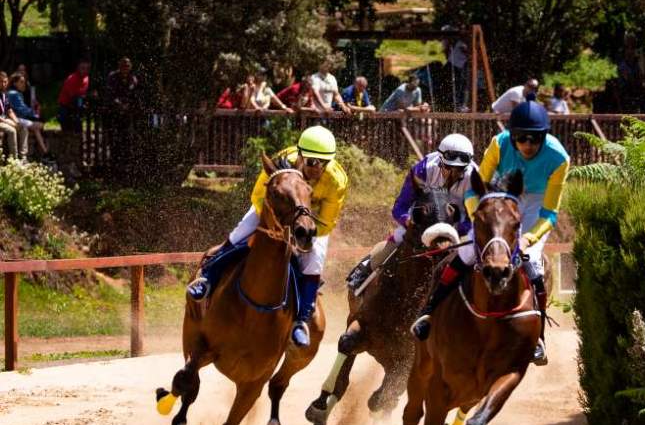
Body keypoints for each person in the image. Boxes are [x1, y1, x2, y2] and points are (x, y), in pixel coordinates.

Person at [412, 101, 569, 366]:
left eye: (535, 138)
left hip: (534, 205)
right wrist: (480, 222)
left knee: (534, 267)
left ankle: (538, 338)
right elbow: (475, 190)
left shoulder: (559, 158)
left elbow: (549, 215)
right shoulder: (499, 144)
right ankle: (429, 312)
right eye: (521, 138)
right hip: (500, 196)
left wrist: (528, 238)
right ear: (512, 135)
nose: (528, 144)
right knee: (465, 251)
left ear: (545, 136)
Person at [185, 125, 348, 347]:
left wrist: (302, 235)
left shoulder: (337, 181)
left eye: (323, 163)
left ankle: (301, 321)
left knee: (313, 261)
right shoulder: (281, 161)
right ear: (300, 156)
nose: (316, 168)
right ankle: (208, 279)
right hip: (273, 211)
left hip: (311, 220)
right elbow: (258, 197)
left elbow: (327, 222)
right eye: (310, 161)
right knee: (239, 235)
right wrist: (273, 226)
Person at [346, 133, 476, 290]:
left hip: (455, 228)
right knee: (393, 244)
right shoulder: (422, 170)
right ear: (440, 159)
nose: (453, 175)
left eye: (459, 170)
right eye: (448, 167)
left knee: (473, 258)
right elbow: (399, 207)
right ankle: (362, 274)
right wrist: (409, 221)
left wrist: (453, 230)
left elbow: (474, 219)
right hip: (420, 223)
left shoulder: (475, 177)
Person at [6, 73, 49, 160]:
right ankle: (44, 152)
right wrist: (35, 114)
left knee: (37, 128)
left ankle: (45, 152)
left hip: (18, 117)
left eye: (24, 82)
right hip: (16, 118)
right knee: (39, 125)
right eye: (21, 82)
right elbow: (22, 109)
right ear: (15, 83)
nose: (24, 84)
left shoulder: (15, 93)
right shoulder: (14, 93)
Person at [57, 59, 90, 132]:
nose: (85, 70)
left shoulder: (86, 78)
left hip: (77, 103)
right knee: (66, 123)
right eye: (83, 68)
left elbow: (82, 94)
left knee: (78, 118)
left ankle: (79, 135)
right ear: (78, 68)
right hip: (65, 104)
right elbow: (73, 96)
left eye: (87, 68)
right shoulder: (72, 79)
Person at [0, 72, 24, 160]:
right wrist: (9, 123)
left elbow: (9, 111)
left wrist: (16, 121)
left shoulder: (4, 94)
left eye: (5, 82)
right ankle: (14, 159)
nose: (3, 84)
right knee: (12, 130)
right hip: (1, 121)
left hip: (4, 119)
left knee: (22, 127)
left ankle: (23, 157)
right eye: (1, 82)